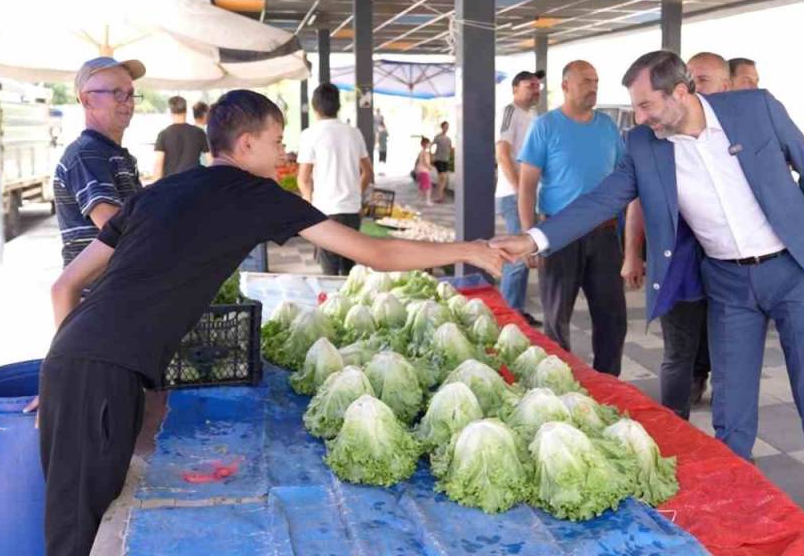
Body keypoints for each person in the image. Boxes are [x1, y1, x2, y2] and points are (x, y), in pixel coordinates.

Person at [30, 90, 506, 556]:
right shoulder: (255, 194)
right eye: (277, 141)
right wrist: (467, 250)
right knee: (75, 535)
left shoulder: (158, 193)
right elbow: (375, 252)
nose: (284, 152)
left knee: (88, 517)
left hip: (81, 359)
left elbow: (64, 288)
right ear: (245, 146)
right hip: (99, 372)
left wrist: (61, 370)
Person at [493, 51, 804, 526]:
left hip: (795, 271)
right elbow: (602, 199)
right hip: (728, 283)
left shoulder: (757, 108)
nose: (638, 118)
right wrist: (533, 238)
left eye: (645, 105)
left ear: (681, 93)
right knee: (731, 411)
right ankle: (733, 515)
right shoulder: (644, 144)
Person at [621, 51, 725, 418]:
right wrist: (632, 253)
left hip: (730, 269)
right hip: (680, 266)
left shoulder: (734, 136)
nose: (698, 88)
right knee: (678, 351)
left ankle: (731, 445)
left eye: (705, 81)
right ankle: (675, 430)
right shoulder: (654, 140)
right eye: (693, 80)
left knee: (728, 354)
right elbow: (632, 197)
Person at [516, 60, 630, 376]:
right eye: (585, 81)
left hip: (605, 234)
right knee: (556, 319)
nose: (592, 87)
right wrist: (529, 238)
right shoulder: (545, 126)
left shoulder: (608, 127)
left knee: (613, 317)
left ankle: (609, 382)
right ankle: (559, 383)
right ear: (565, 85)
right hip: (558, 233)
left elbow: (625, 179)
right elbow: (526, 187)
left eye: (596, 81)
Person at [52, 57, 146, 267]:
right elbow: (114, 227)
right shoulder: (85, 154)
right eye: (117, 93)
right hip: (100, 295)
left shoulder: (120, 156)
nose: (128, 102)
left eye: (130, 94)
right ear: (87, 100)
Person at [298, 83, 373, 276]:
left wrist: (308, 201)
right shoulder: (354, 133)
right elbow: (368, 172)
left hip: (326, 212)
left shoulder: (309, 135)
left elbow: (304, 178)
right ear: (338, 106)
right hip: (351, 211)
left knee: (329, 271)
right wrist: (356, 194)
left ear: (315, 108)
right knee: (350, 272)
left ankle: (332, 304)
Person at [496, 69, 544, 327]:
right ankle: (507, 317)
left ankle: (516, 310)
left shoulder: (533, 115)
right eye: (529, 86)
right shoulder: (510, 112)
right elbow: (502, 154)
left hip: (529, 196)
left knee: (527, 254)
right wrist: (519, 191)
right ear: (515, 89)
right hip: (513, 195)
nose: (536, 90)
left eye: (537, 86)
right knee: (517, 256)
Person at [152, 96, 209, 180]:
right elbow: (210, 161)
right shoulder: (199, 133)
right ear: (186, 111)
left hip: (171, 186)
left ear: (170, 112)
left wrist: (155, 190)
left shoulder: (163, 134)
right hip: (194, 185)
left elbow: (158, 166)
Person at [431, 121, 452, 202]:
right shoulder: (438, 137)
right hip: (438, 159)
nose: (446, 128)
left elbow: (450, 148)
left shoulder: (448, 139)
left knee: (443, 179)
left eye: (448, 126)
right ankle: (440, 196)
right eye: (445, 126)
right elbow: (431, 145)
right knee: (442, 177)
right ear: (442, 127)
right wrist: (431, 155)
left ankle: (439, 194)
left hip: (445, 160)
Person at [414, 137, 434, 204]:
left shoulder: (421, 152)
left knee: (422, 186)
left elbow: (418, 161)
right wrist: (430, 167)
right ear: (425, 144)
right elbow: (426, 162)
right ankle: (427, 200)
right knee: (428, 187)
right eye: (429, 143)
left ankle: (419, 199)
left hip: (420, 171)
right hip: (424, 171)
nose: (430, 144)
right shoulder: (425, 153)